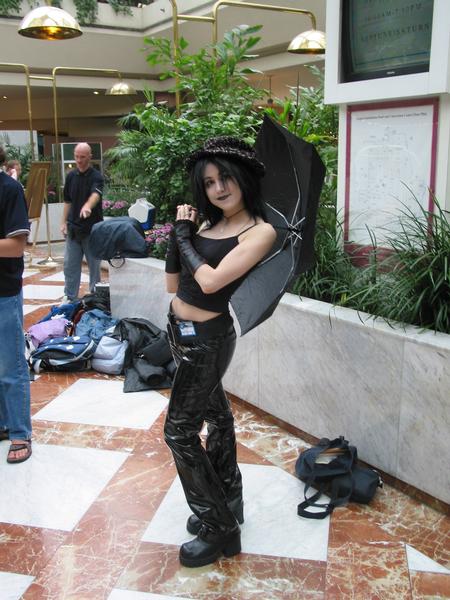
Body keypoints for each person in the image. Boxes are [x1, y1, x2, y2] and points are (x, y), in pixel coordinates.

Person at [164, 136, 276, 568]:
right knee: (218, 418)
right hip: (180, 332)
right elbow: (173, 285)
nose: (218, 188)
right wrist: (178, 238)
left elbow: (211, 282)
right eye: (209, 182)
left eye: (225, 178)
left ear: (243, 178)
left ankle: (218, 526)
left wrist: (184, 238)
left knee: (179, 432)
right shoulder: (209, 227)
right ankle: (228, 499)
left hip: (208, 341)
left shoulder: (260, 231)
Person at [0, 145, 32, 464]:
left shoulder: (9, 189)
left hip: (3, 291)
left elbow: (16, 246)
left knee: (10, 364)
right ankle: (3, 423)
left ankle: (20, 432)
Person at [60, 142, 104, 302]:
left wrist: (87, 206)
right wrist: (63, 222)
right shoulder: (71, 176)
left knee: (94, 267)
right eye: (77, 157)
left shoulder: (96, 176)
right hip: (73, 229)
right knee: (69, 266)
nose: (79, 160)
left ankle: (95, 298)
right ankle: (70, 297)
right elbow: (67, 201)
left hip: (92, 230)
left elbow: (95, 195)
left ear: (90, 157)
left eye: (83, 157)